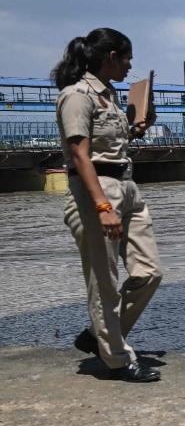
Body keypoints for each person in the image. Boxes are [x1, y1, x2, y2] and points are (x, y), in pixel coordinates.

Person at [52, 28, 163, 383]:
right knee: (105, 282)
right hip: (95, 191)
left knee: (148, 272)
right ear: (111, 56)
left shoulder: (110, 96)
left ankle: (97, 336)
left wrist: (138, 128)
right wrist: (102, 206)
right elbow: (79, 154)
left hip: (126, 186)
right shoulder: (76, 96)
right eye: (127, 57)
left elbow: (112, 143)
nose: (131, 65)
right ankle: (116, 359)